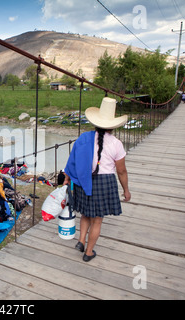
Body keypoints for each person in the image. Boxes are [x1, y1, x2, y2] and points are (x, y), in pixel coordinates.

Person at [63, 97, 131, 262]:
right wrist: (126, 190)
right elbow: (121, 171)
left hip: (83, 181)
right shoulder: (116, 144)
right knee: (97, 220)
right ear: (113, 126)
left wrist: (66, 178)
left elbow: (72, 161)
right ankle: (89, 252)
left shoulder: (84, 138)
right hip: (104, 183)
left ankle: (81, 241)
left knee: (86, 214)